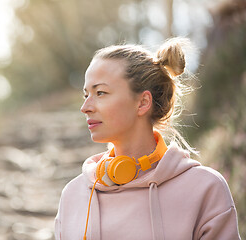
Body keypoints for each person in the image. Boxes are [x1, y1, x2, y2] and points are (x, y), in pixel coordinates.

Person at [54, 38, 241, 240]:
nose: (86, 107)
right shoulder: (74, 194)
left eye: (100, 92)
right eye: (86, 95)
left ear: (143, 102)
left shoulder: (205, 188)